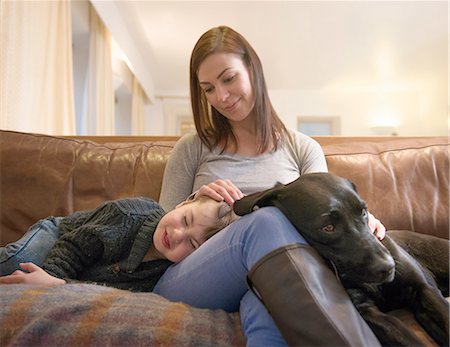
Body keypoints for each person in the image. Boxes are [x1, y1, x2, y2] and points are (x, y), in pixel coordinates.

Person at [153, 25, 386, 346]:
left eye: (228, 78)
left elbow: (326, 223)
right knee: (266, 218)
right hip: (192, 279)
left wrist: (356, 224)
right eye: (207, 88)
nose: (220, 96)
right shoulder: (192, 148)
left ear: (253, 69)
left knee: (269, 305)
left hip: (270, 282)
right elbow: (155, 234)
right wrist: (196, 200)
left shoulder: (303, 149)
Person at [0, 195, 237, 291]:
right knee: (20, 262)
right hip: (60, 235)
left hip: (75, 275)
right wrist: (50, 277)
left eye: (192, 243)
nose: (176, 234)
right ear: (183, 203)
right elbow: (72, 248)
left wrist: (59, 284)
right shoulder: (128, 215)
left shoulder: (162, 274)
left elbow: (106, 290)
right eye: (185, 219)